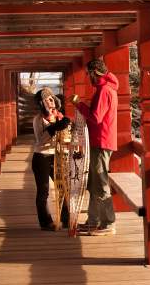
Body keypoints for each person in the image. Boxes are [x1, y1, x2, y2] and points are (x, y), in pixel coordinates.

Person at [70, 58, 119, 236]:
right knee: (94, 183)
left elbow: (96, 117)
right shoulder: (104, 89)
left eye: (88, 74)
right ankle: (93, 221)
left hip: (101, 141)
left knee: (101, 183)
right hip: (99, 141)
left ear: (94, 72)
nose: (87, 77)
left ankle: (108, 223)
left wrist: (79, 104)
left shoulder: (105, 91)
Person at [32, 87, 71, 231]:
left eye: (51, 98)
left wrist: (63, 126)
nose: (50, 100)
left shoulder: (59, 116)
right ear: (41, 103)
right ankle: (45, 222)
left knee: (63, 187)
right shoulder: (38, 119)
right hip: (41, 157)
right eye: (46, 99)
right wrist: (54, 128)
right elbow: (40, 140)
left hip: (57, 155)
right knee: (43, 190)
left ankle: (66, 219)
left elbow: (65, 138)